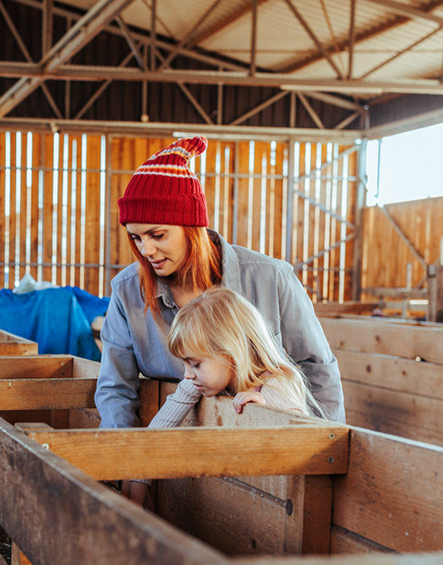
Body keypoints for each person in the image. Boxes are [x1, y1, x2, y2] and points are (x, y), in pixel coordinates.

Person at [95, 135, 344, 431]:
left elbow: (317, 370)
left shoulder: (272, 278)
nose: (145, 251)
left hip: (270, 450)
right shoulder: (127, 291)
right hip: (172, 453)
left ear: (191, 228)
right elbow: (116, 387)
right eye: (136, 238)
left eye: (157, 235)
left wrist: (327, 452)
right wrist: (123, 460)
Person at [123, 286, 318, 506]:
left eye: (195, 364)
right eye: (185, 364)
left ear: (230, 353)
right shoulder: (198, 381)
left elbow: (303, 440)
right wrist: (138, 481)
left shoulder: (277, 383)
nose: (187, 374)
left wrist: (266, 412)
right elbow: (159, 430)